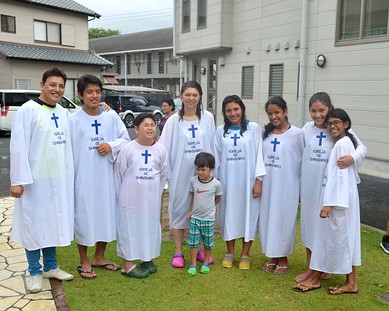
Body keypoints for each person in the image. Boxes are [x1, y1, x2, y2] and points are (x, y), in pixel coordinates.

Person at [9, 67, 75, 293]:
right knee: (34, 225)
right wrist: (17, 180)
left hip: (58, 180)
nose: (57, 89)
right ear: (42, 85)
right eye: (52, 85)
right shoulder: (28, 110)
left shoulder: (64, 112)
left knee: (52, 223)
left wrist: (104, 108)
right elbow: (18, 146)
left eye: (61, 86)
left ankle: (50, 266)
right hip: (33, 182)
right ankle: (35, 271)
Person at [297, 92, 367, 283]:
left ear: (328, 109)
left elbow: (361, 148)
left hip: (329, 188)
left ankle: (322, 268)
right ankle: (311, 268)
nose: (317, 115)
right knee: (310, 227)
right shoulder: (306, 129)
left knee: (324, 229)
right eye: (313, 111)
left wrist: (352, 158)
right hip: (310, 186)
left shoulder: (337, 128)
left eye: (321, 110)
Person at [68, 74, 130, 279]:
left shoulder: (110, 117)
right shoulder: (73, 120)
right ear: (80, 95)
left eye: (97, 91)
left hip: (106, 177)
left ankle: (100, 257)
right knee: (84, 218)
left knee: (106, 216)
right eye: (89, 92)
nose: (94, 96)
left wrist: (110, 145)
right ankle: (84, 260)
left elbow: (125, 139)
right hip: (83, 178)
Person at [158, 81, 215, 268]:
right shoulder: (174, 121)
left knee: (200, 209)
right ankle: (178, 251)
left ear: (200, 97)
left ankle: (197, 248)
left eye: (195, 95)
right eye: (188, 94)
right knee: (179, 209)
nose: (191, 98)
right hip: (180, 174)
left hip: (203, 174)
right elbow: (164, 148)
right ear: (181, 96)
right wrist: (166, 175)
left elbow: (212, 144)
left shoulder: (207, 117)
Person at [214, 95, 266, 270]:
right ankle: (230, 252)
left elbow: (260, 155)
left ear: (242, 109)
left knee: (248, 215)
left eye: (236, 109)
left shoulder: (254, 129)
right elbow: (216, 158)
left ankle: (245, 254)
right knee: (227, 214)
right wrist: (216, 184)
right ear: (224, 112)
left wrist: (258, 180)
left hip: (248, 182)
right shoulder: (220, 131)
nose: (233, 113)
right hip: (227, 182)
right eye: (228, 110)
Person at [115, 113, 168, 278]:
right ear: (136, 129)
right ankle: (128, 265)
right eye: (146, 125)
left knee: (149, 227)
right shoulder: (128, 149)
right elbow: (119, 173)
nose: (150, 127)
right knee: (129, 228)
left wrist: (154, 193)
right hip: (130, 198)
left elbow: (164, 174)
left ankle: (147, 258)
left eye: (152, 124)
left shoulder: (160, 149)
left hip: (151, 199)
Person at [259, 96, 304, 275]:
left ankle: (283, 258)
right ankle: (272, 256)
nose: (273, 116)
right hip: (268, 185)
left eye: (277, 112)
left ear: (285, 112)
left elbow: (304, 159)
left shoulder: (298, 134)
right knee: (268, 219)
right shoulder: (266, 135)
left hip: (287, 185)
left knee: (284, 220)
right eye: (270, 113)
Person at [187, 152, 222, 276]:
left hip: (208, 219)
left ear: (211, 169)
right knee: (193, 242)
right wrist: (191, 210)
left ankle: (206, 262)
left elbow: (218, 199)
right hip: (195, 219)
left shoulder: (216, 184)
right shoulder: (193, 181)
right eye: (198, 169)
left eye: (203, 169)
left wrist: (210, 208)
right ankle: (193, 264)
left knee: (207, 242)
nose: (200, 172)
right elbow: (193, 197)